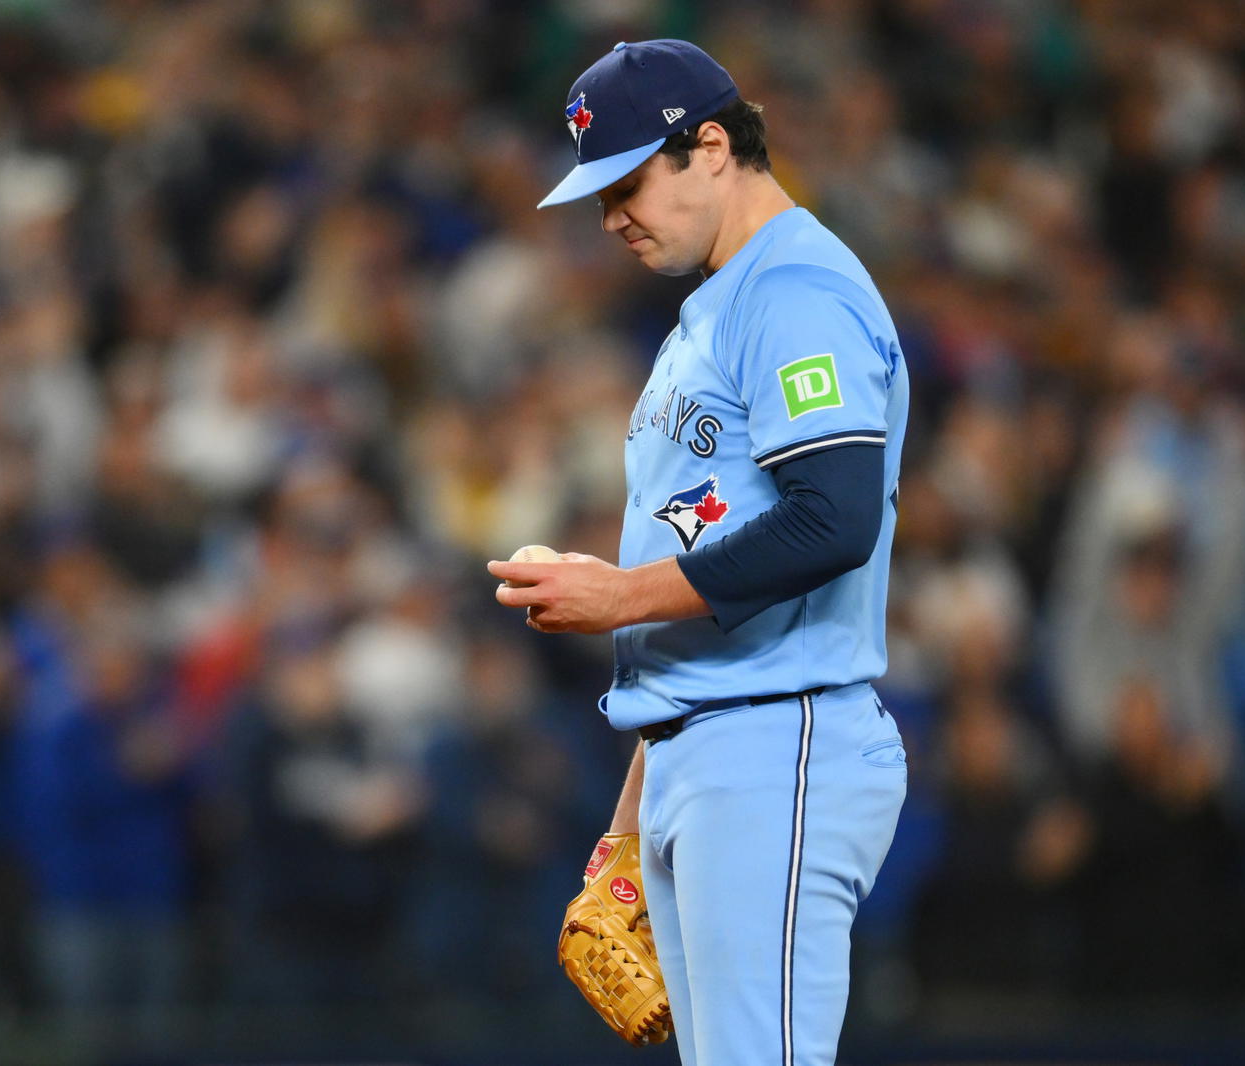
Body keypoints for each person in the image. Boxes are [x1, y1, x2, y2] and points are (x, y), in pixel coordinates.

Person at [488, 39, 909, 1066]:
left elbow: (833, 518)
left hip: (779, 741)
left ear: (709, 146)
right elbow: (724, 560)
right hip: (709, 746)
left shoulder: (795, 291)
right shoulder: (713, 309)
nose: (610, 216)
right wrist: (633, 812)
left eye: (627, 181)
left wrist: (615, 594)